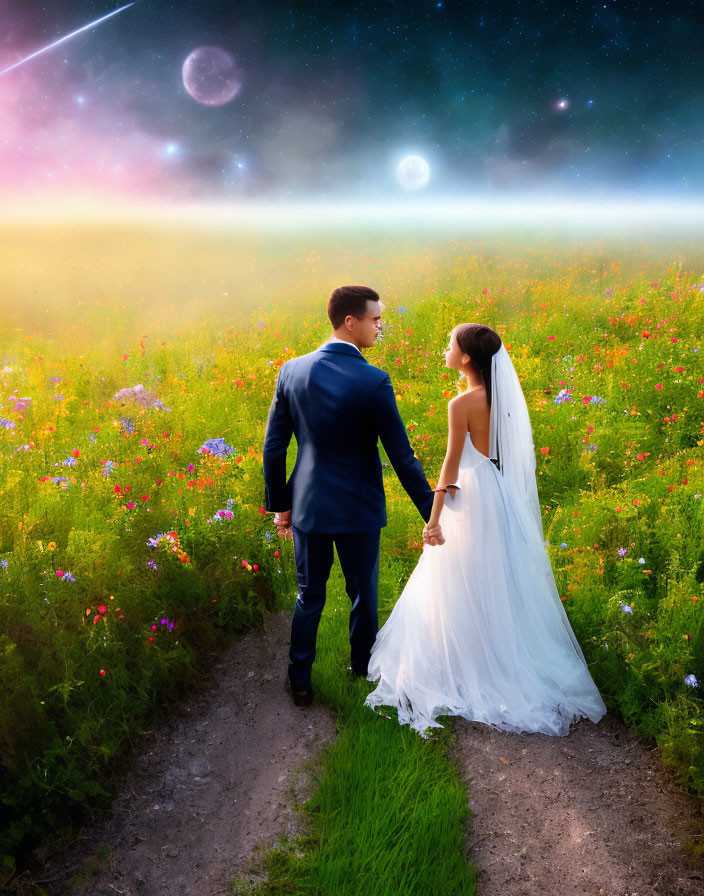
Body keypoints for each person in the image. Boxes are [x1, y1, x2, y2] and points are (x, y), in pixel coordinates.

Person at [364, 323, 607, 737]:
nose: (445, 350)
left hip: (470, 501)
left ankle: (466, 661)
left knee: (460, 579)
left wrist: (434, 519)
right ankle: (503, 651)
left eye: (449, 345)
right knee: (496, 576)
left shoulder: (462, 404)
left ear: (467, 359)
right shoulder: (505, 402)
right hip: (498, 497)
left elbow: (450, 466)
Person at [263, 286, 434, 707]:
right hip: (358, 507)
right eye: (376, 319)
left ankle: (299, 681)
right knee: (363, 594)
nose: (381, 326)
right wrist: (434, 511)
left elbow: (274, 446)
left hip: (308, 505)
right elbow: (401, 456)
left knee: (310, 595)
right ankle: (362, 671)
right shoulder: (373, 381)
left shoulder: (292, 371)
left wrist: (282, 506)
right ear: (350, 321)